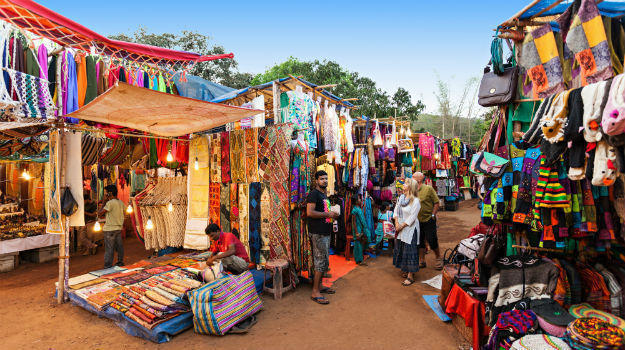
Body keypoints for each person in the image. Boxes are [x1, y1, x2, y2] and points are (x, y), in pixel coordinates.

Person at [306, 170, 340, 305]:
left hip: (325, 231)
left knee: (324, 261)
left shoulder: (323, 194)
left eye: (326, 178)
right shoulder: (314, 194)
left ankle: (319, 286)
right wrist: (328, 214)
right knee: (320, 261)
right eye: (322, 179)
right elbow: (310, 212)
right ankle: (315, 292)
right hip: (318, 233)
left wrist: (332, 215)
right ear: (316, 181)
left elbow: (325, 212)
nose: (325, 181)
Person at [393, 178, 421, 286]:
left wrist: (401, 226)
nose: (403, 185)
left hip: (410, 228)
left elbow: (413, 217)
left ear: (410, 187)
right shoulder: (401, 198)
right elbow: (396, 210)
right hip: (400, 227)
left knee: (410, 250)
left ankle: (411, 275)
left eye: (405, 183)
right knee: (402, 248)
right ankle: (404, 269)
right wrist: (396, 223)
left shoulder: (416, 201)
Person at [413, 172, 442, 270]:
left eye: (413, 177)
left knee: (432, 239)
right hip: (417, 220)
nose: (411, 179)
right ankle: (422, 260)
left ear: (419, 180)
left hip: (428, 219)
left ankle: (438, 258)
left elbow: (436, 202)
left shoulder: (428, 189)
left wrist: (433, 214)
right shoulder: (412, 190)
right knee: (420, 240)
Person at [98, 185, 125, 268]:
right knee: (119, 247)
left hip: (109, 229)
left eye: (106, 193)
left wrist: (103, 202)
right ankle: (120, 261)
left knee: (109, 248)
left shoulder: (110, 203)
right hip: (118, 228)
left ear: (109, 193)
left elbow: (100, 213)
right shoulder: (120, 202)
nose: (105, 194)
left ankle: (108, 266)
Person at [350, 195, 369, 265]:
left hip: (360, 228)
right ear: (356, 201)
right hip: (357, 229)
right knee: (357, 244)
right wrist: (357, 232)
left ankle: (360, 258)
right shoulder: (354, 210)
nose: (360, 200)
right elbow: (353, 222)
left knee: (361, 243)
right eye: (359, 199)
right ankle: (358, 260)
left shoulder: (359, 208)